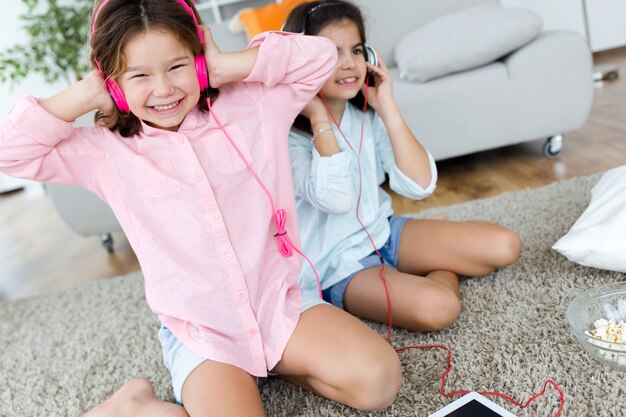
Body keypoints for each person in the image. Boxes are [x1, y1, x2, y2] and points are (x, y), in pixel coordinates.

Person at [0, 0, 402, 415]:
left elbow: (318, 57)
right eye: (139, 75)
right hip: (202, 333)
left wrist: (226, 66)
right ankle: (135, 405)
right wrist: (88, 90)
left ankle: (268, 366)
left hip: (278, 305)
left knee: (379, 381)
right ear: (114, 82)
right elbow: (10, 152)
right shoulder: (106, 153)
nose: (163, 90)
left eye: (177, 66)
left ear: (199, 59)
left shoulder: (253, 105)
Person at [284, 0, 522, 333]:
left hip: (384, 232)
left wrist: (387, 107)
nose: (349, 64)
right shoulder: (287, 137)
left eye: (355, 51)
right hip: (339, 266)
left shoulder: (365, 114)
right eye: (332, 54)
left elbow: (420, 185)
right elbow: (336, 199)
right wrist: (319, 117)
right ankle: (429, 270)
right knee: (439, 307)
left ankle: (421, 267)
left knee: (505, 245)